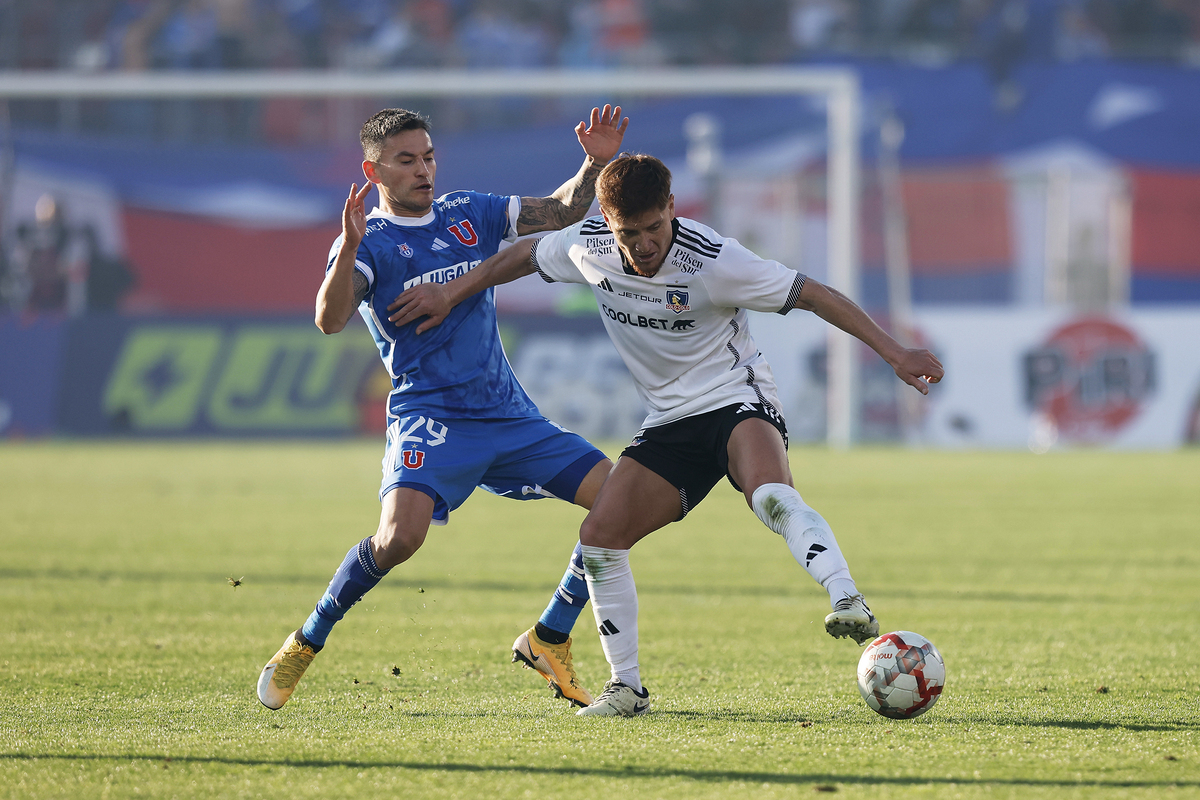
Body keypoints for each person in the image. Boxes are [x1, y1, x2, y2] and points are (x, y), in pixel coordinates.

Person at [389, 153, 945, 716]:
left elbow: (813, 293)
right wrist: (451, 292)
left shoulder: (713, 259)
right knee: (600, 535)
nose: (647, 243)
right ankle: (626, 688)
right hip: (669, 424)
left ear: (672, 209)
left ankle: (846, 597)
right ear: (608, 224)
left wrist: (895, 353)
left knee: (770, 494)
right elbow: (523, 256)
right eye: (632, 232)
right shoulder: (588, 246)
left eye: (655, 227)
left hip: (737, 399)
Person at [256, 105, 629, 711]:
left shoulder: (468, 212)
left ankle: (550, 636)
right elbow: (328, 320)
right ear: (373, 170)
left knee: (621, 502)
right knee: (400, 539)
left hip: (506, 414)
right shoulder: (370, 242)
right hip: (430, 416)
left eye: (427, 156)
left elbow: (560, 212)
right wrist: (347, 247)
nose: (423, 170)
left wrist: (594, 162)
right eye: (406, 160)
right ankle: (306, 639)